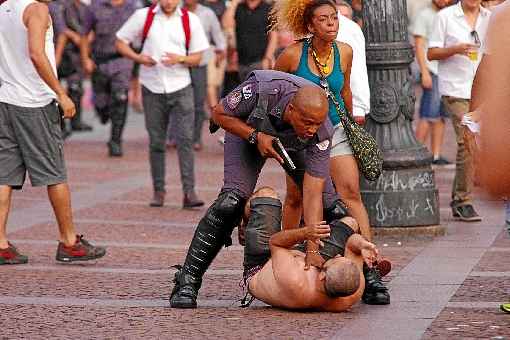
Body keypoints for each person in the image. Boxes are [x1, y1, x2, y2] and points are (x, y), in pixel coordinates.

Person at [170, 70, 338, 309]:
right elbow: (218, 114)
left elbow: (312, 194)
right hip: (247, 130)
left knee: (332, 205)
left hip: (293, 144)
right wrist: (255, 137)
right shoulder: (262, 89)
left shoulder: (320, 132)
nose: (313, 129)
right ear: (290, 109)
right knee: (230, 203)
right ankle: (187, 280)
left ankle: (367, 275)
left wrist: (312, 249)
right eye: (308, 122)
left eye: (317, 123)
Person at [272, 0, 390, 305]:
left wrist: (352, 127)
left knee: (350, 192)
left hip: (335, 129)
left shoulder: (345, 52)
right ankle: (286, 256)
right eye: (323, 20)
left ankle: (370, 268)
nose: (331, 23)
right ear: (310, 25)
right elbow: (275, 95)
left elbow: (345, 91)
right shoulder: (292, 55)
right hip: (299, 134)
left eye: (334, 18)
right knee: (297, 196)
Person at [0, 0, 106, 264]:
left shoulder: (3, 9)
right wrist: (61, 93)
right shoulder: (36, 9)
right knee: (54, 172)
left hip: (7, 100)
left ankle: (0, 243)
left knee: (4, 175)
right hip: (35, 103)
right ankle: (69, 242)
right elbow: (37, 53)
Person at [115, 0, 209, 208]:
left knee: (185, 140)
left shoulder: (189, 20)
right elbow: (120, 41)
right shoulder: (144, 16)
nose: (168, 2)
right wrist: (137, 58)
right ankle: (159, 191)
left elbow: (198, 57)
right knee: (157, 141)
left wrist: (181, 59)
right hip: (152, 86)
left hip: (181, 85)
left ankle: (189, 192)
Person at [241, 186, 380, 311]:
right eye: (341, 257)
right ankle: (304, 243)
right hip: (301, 258)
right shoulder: (351, 292)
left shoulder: (295, 281)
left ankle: (246, 224)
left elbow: (276, 242)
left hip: (264, 263)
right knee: (351, 223)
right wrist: (363, 245)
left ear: (322, 275)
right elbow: (351, 245)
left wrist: (306, 232)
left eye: (335, 259)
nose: (337, 255)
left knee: (266, 194)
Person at [427, 0, 491, 222]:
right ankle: (463, 200)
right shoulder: (445, 16)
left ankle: (467, 191)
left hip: (484, 89)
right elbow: (431, 53)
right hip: (456, 89)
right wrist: (455, 49)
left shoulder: (490, 17)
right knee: (466, 140)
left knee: (483, 139)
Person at [80, 0, 139, 157]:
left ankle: (116, 141)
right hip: (99, 61)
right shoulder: (94, 7)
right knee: (101, 104)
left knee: (120, 98)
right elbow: (84, 35)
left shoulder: (133, 7)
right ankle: (103, 112)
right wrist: (85, 59)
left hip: (123, 60)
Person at [412, 0, 452, 165]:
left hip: (447, 72)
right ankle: (416, 154)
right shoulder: (424, 15)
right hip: (432, 70)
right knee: (427, 115)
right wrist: (425, 72)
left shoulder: (447, 14)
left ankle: (436, 155)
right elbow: (419, 46)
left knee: (441, 116)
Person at [224, 0, 278, 81]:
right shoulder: (239, 7)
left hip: (260, 62)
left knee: (259, 92)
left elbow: (273, 36)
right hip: (241, 62)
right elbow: (226, 24)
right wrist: (234, 2)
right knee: (245, 92)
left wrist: (267, 58)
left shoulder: (269, 9)